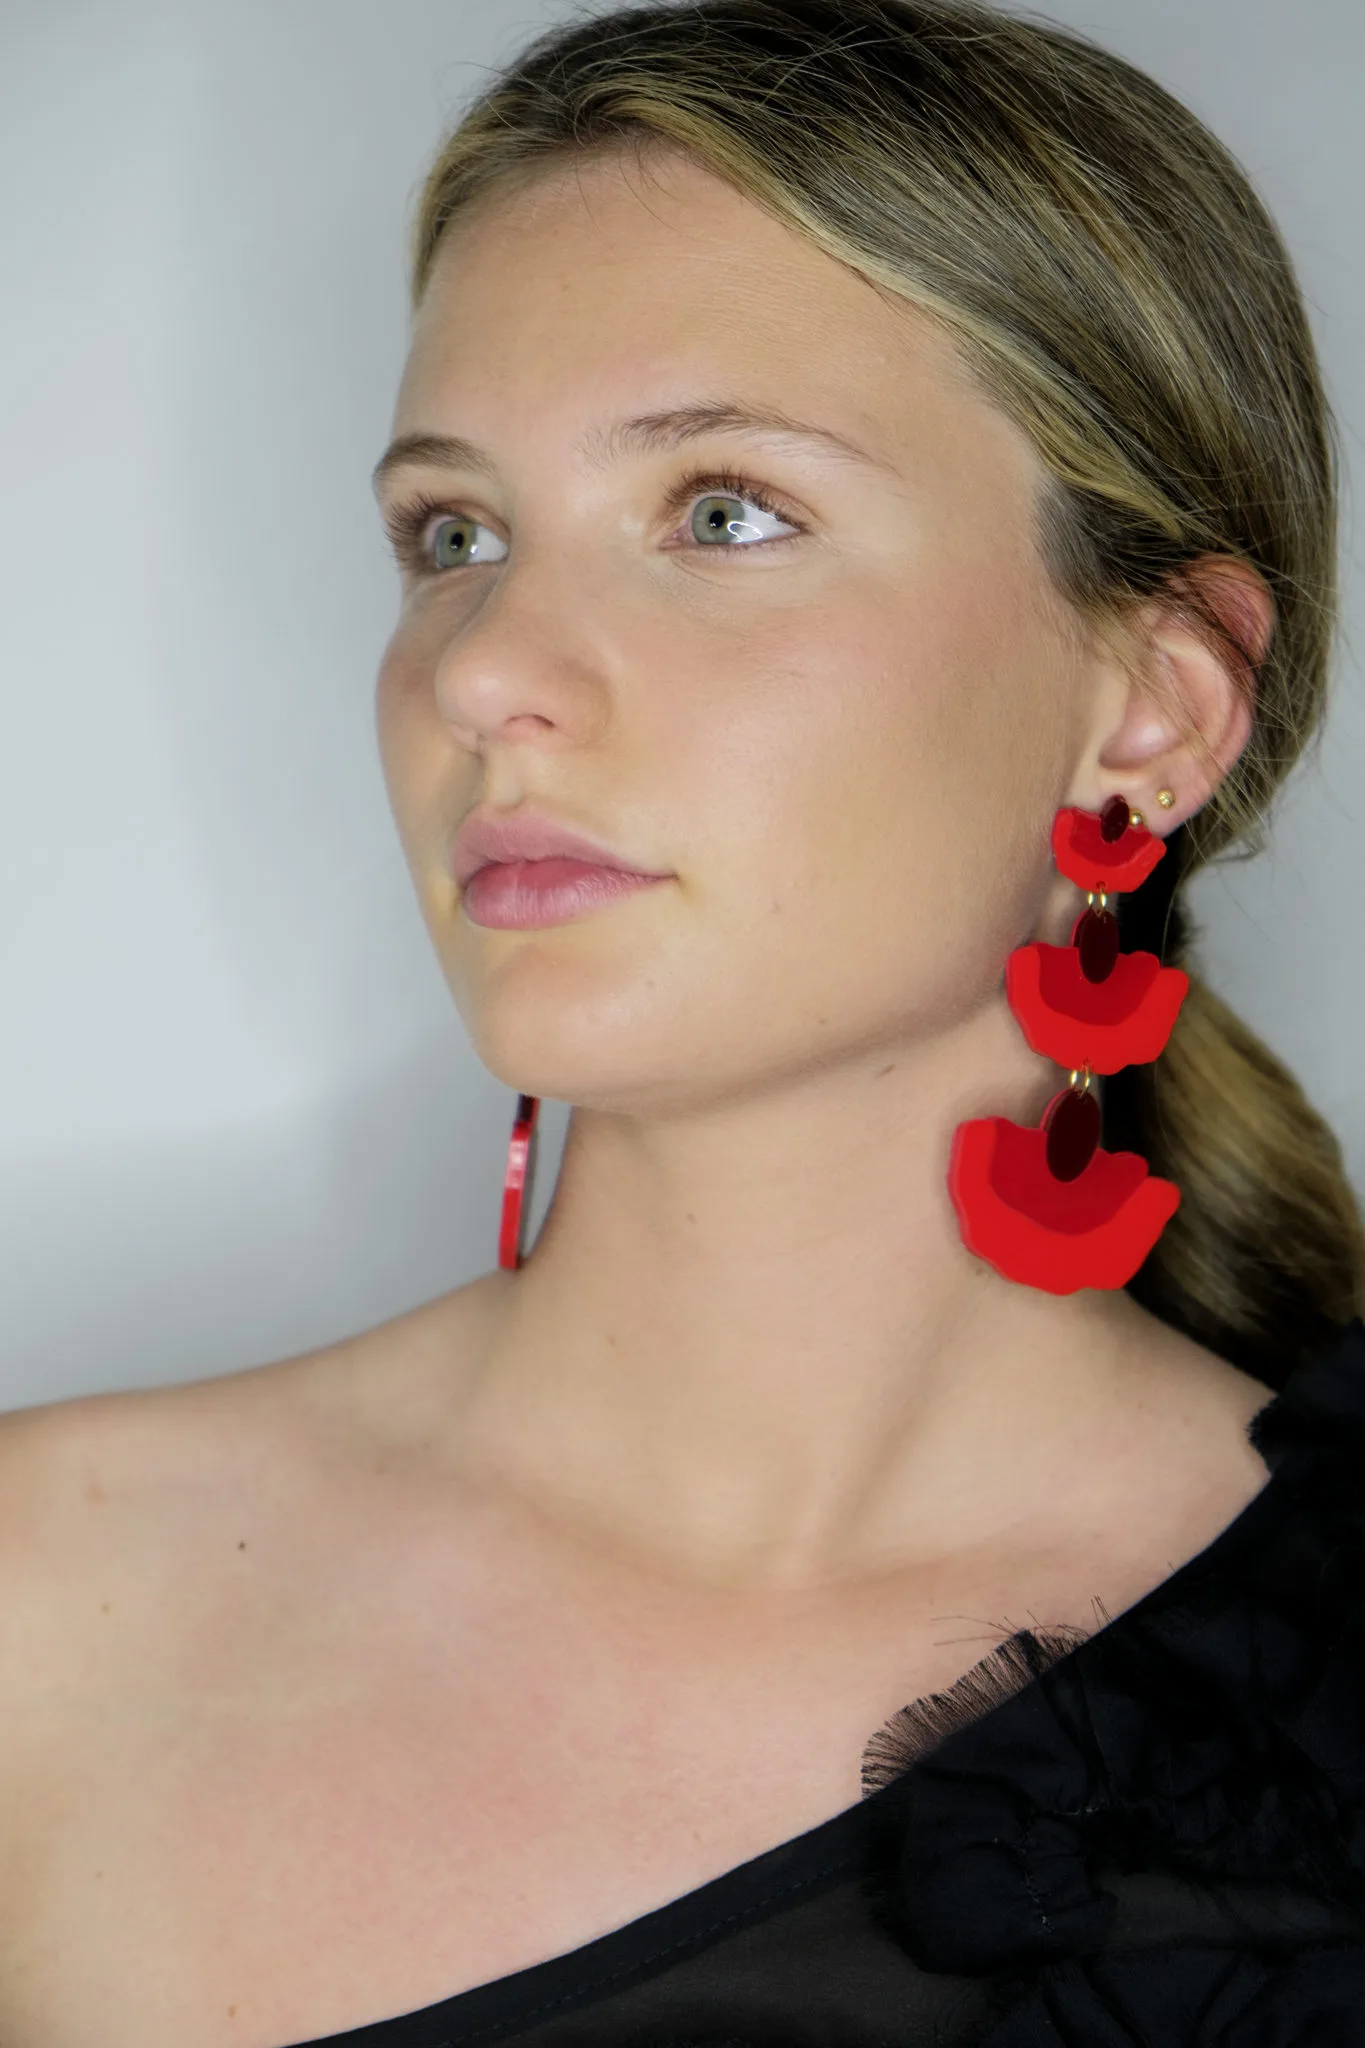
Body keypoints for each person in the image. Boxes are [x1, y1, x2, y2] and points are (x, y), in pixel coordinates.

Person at [2, 1, 1363, 2042]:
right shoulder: (44, 1617)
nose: (482, 672)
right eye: (454, 536)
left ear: (1154, 709)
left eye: (724, 511)